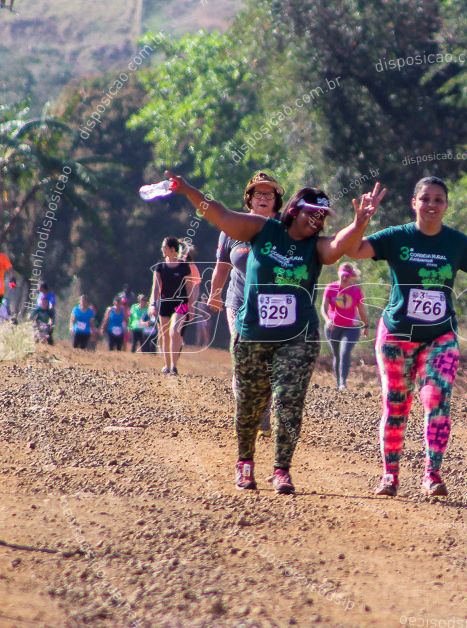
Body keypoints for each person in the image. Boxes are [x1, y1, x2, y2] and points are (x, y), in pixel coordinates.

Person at [166, 171, 386, 495]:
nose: (318, 220)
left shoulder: (317, 247)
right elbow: (221, 216)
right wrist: (187, 190)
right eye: (313, 213)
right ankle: (245, 463)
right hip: (254, 333)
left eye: (323, 216)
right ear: (295, 210)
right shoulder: (262, 229)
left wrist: (361, 221)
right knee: (249, 402)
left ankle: (282, 469)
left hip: (299, 335)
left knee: (288, 399)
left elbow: (342, 244)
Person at [345, 176, 467, 497]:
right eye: (425, 199)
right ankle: (390, 476)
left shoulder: (456, 242)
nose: (432, 205)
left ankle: (432, 475)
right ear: (414, 203)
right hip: (396, 335)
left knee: (436, 399)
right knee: (397, 406)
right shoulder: (397, 237)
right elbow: (353, 250)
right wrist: (361, 221)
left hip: (440, 336)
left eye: (439, 199)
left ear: (447, 205)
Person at [207, 171, 286, 436]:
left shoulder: (286, 230)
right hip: (238, 300)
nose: (264, 198)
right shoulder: (232, 228)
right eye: (258, 193)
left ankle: (265, 406)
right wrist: (214, 294)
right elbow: (222, 267)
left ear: (276, 201)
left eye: (269, 193)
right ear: (249, 199)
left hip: (275, 305)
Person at [149, 236, 200, 374]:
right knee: (164, 334)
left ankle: (174, 366)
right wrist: (153, 304)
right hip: (165, 302)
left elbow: (189, 287)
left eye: (164, 247)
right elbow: (155, 287)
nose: (162, 249)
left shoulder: (184, 266)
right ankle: (167, 365)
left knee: (174, 331)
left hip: (181, 303)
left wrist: (191, 305)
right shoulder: (160, 266)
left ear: (172, 249)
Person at [321, 262, 369, 390]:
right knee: (336, 354)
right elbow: (323, 307)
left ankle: (343, 383)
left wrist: (366, 325)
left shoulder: (356, 291)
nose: (344, 278)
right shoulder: (330, 288)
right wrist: (327, 320)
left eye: (347, 276)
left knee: (345, 352)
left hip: (351, 327)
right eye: (342, 275)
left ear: (351, 276)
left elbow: (361, 310)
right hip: (333, 327)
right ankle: (338, 383)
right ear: (339, 274)